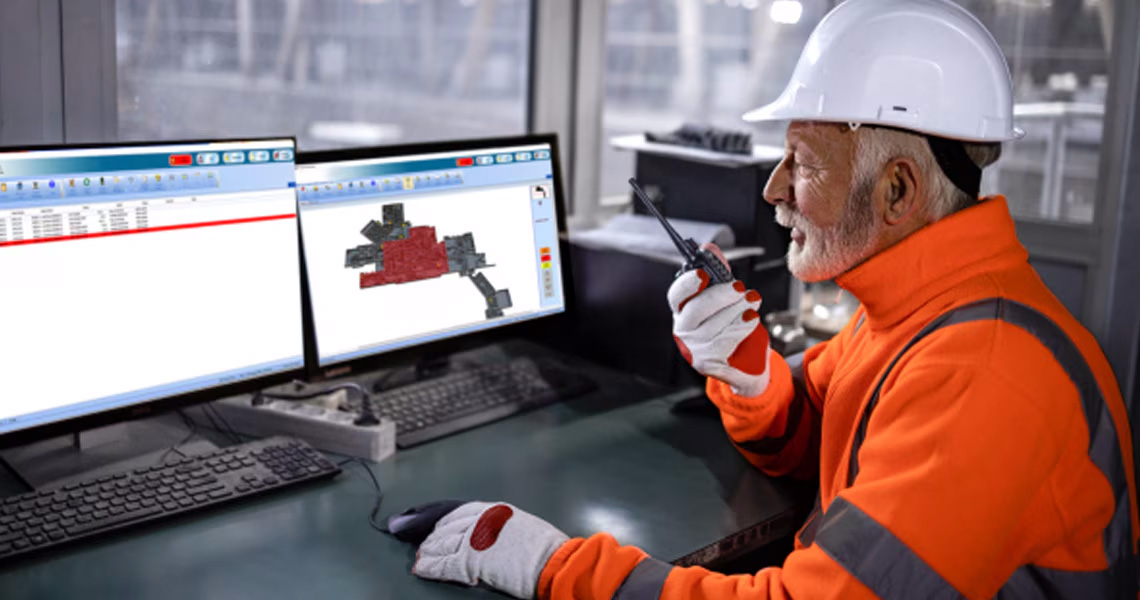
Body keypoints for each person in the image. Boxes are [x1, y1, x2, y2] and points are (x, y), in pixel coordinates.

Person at [392, 0, 1139, 598]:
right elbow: (812, 440)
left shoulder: (983, 373)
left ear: (899, 190)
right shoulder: (924, 312)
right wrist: (748, 374)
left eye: (801, 162)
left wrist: (548, 564)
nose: (774, 190)